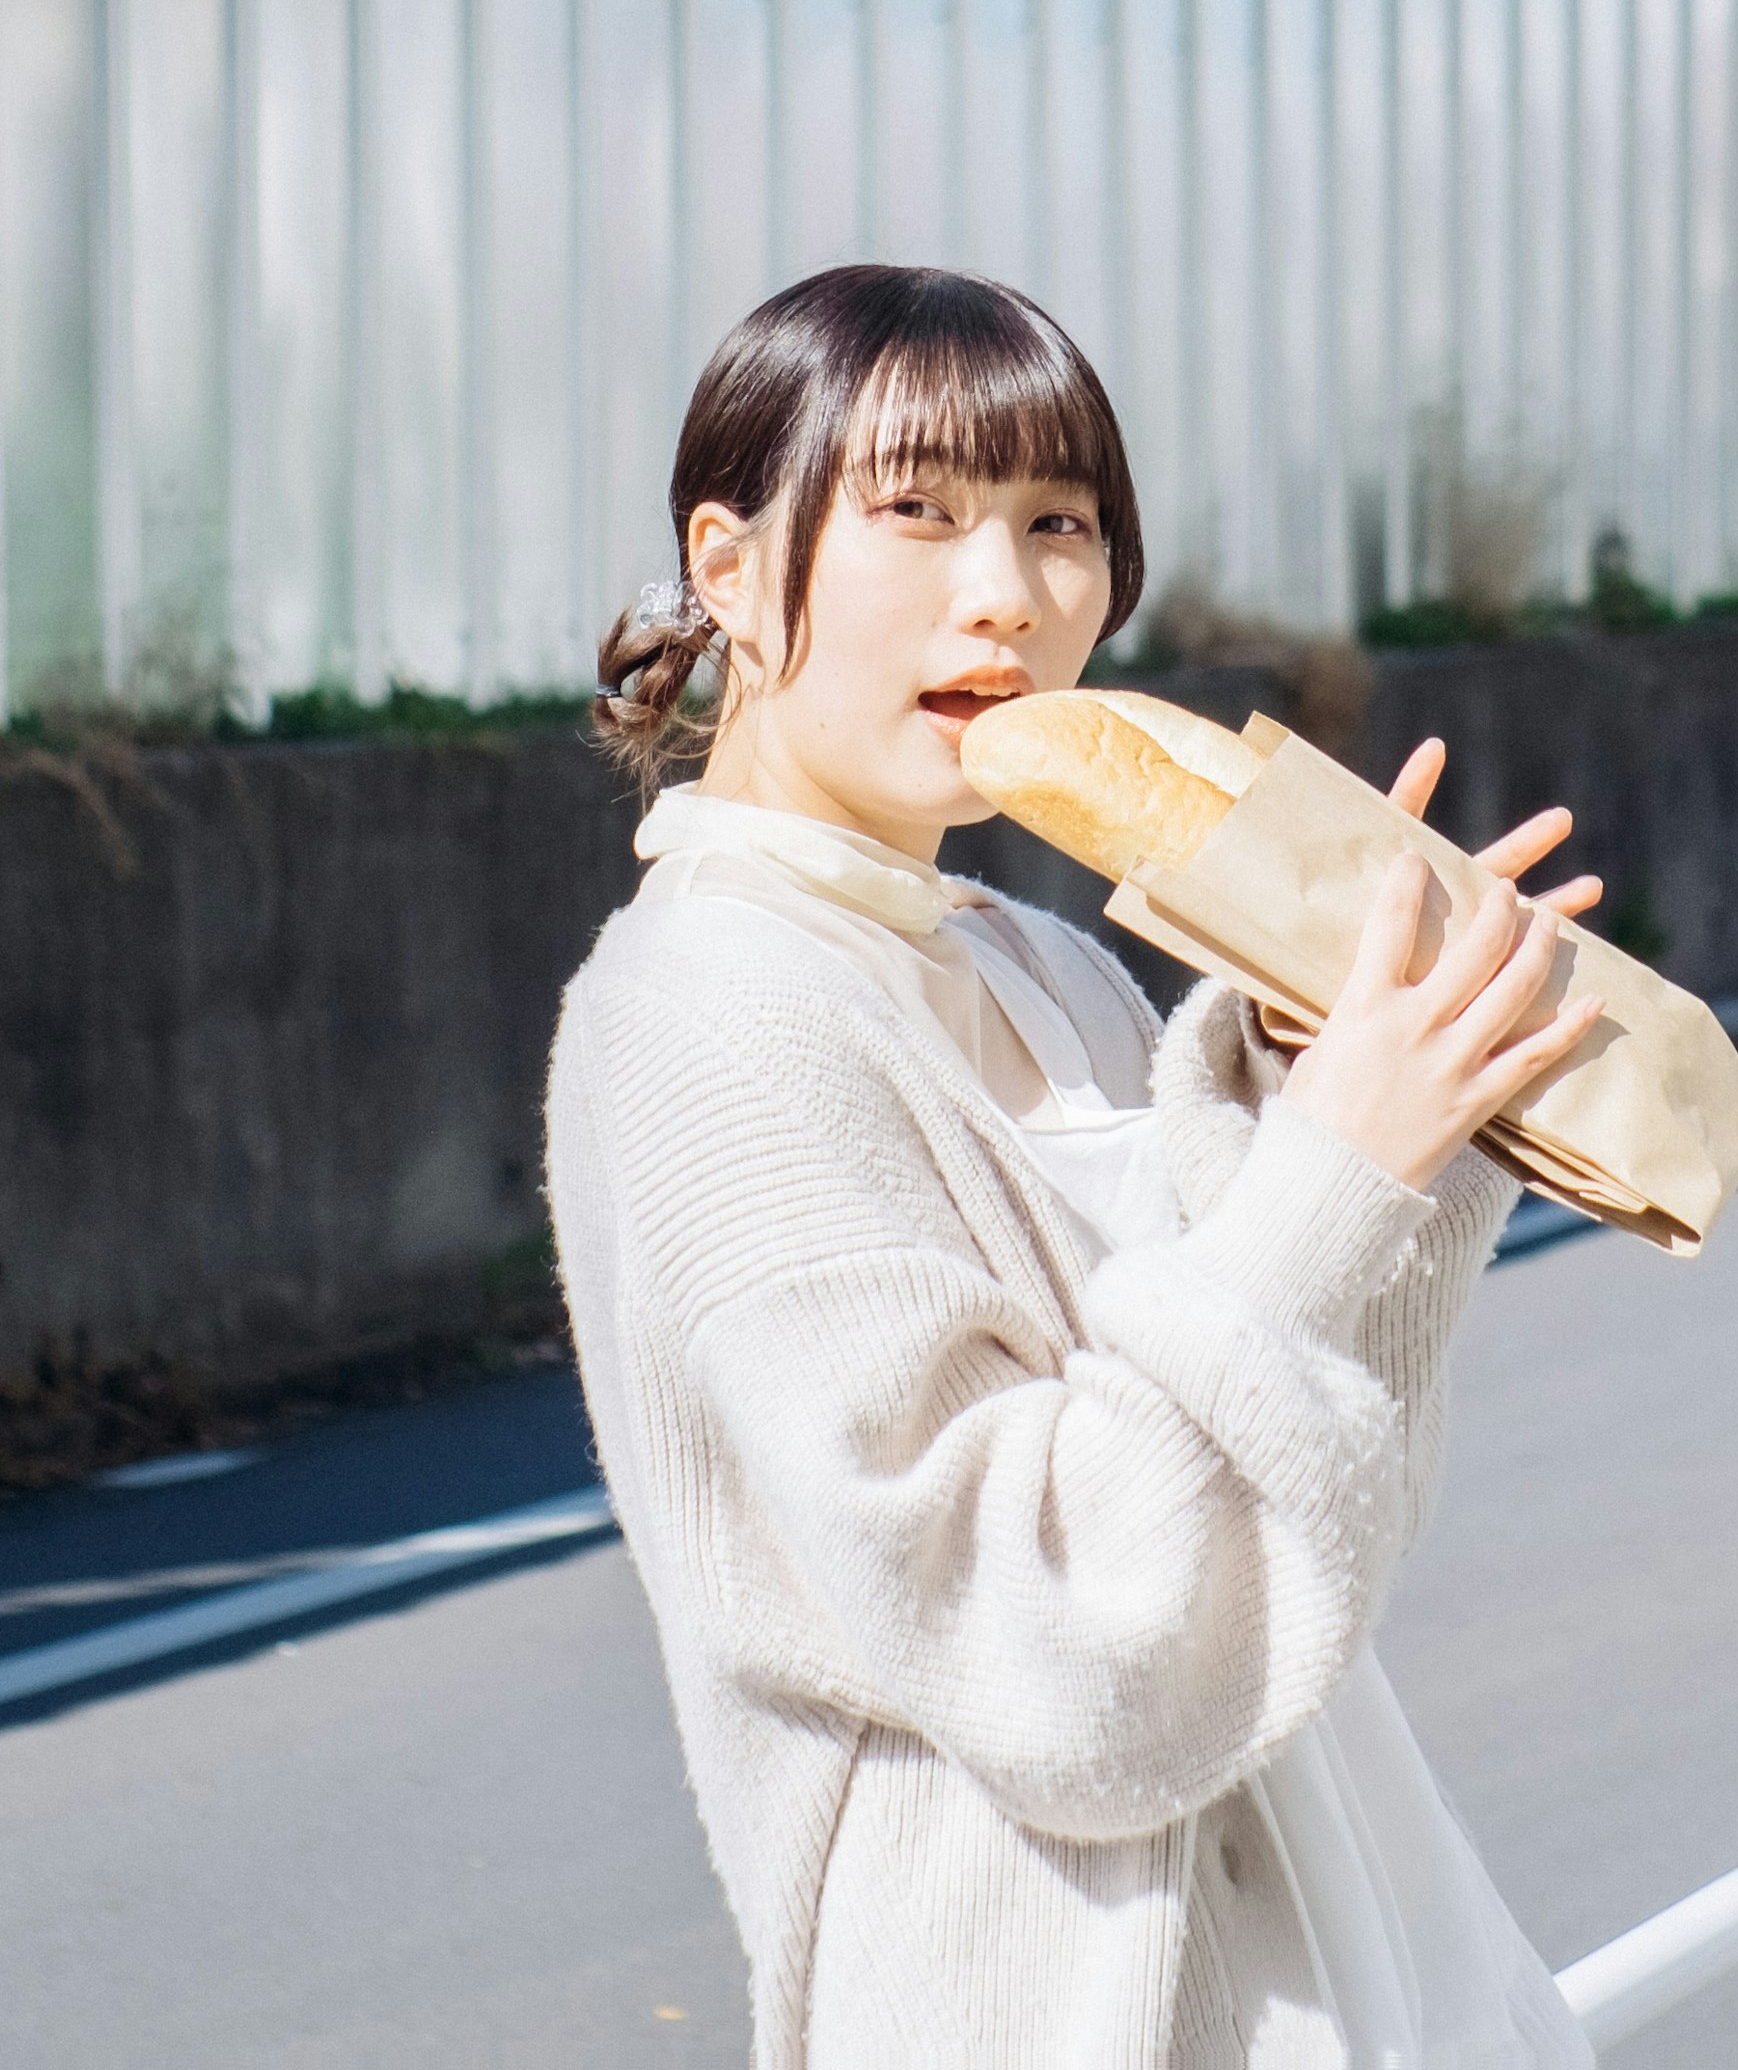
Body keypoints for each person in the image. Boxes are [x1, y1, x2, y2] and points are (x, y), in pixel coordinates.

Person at [550, 264, 1602, 2068]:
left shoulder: (1044, 969)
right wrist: (1335, 1168)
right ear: (728, 571)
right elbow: (1058, 1656)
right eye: (917, 512)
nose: (1009, 596)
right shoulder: (704, 1012)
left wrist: (1354, 1088)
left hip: (1368, 1964)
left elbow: (1312, 1510)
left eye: (1061, 523)